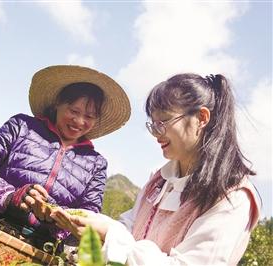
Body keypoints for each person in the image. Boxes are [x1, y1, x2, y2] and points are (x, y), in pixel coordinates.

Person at [51, 73, 261, 265]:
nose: (156, 134)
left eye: (164, 121)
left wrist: (111, 235)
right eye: (153, 124)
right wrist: (94, 225)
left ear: (202, 118)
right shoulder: (160, 181)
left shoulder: (232, 198)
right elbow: (130, 228)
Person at [0, 65, 131, 245]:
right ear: (57, 103)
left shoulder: (95, 163)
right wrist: (10, 196)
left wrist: (58, 216)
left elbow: (89, 216)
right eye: (73, 111)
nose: (80, 121)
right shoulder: (21, 126)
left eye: (89, 116)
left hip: (41, 250)